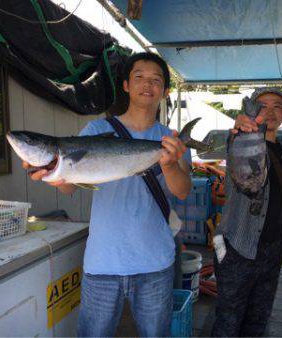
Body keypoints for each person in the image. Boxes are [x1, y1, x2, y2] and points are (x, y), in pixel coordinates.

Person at [22, 52, 192, 337]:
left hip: (155, 262)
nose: (146, 85)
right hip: (103, 263)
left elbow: (183, 191)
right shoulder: (98, 130)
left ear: (164, 90)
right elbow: (69, 185)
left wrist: (171, 163)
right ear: (126, 85)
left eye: (155, 80)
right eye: (139, 77)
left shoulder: (170, 139)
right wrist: (54, 176)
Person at [211, 88, 282, 337]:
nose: (271, 112)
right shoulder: (242, 139)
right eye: (263, 106)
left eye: (277, 106)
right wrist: (239, 128)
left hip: (272, 251)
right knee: (228, 320)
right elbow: (232, 141)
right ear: (252, 111)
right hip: (238, 247)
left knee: (258, 320)